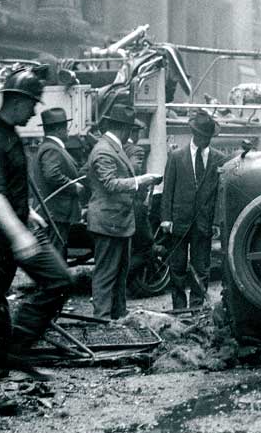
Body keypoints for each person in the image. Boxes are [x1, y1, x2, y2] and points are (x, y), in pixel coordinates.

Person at [0, 69, 75, 415]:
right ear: (18, 100)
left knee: (59, 280)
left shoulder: (8, 135)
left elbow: (8, 190)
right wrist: (19, 234)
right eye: (32, 104)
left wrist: (28, 216)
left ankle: (19, 350)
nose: (35, 113)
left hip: (12, 231)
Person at [87, 104, 159, 320]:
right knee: (106, 274)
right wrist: (140, 181)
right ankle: (102, 319)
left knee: (119, 273)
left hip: (117, 221)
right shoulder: (104, 150)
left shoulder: (112, 148)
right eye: (130, 129)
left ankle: (118, 315)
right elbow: (109, 183)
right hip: (108, 222)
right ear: (124, 129)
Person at [161, 110, 227, 310]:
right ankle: (179, 308)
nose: (204, 141)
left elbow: (220, 194)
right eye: (201, 137)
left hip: (204, 223)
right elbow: (168, 190)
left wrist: (216, 221)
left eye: (208, 138)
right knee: (177, 266)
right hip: (179, 222)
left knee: (201, 266)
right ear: (194, 134)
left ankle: (197, 307)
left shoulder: (219, 159)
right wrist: (166, 218)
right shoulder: (176, 157)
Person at [33, 107, 83, 260]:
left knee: (54, 254)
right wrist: (73, 186)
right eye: (65, 127)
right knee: (55, 257)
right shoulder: (52, 149)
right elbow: (52, 174)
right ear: (59, 129)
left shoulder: (49, 147)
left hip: (53, 213)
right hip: (55, 213)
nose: (67, 131)